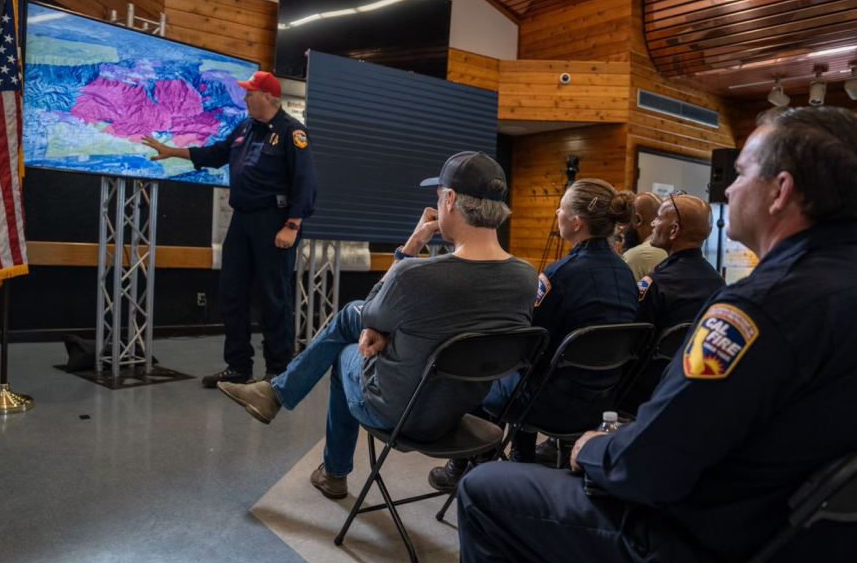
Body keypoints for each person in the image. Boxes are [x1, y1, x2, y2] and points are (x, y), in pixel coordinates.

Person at [456, 106, 857, 563]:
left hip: (697, 546)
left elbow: (646, 467)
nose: (728, 190)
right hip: (797, 549)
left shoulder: (759, 309)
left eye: (741, 173)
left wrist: (595, 447)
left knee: (484, 489)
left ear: (781, 191)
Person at [218, 152, 538, 499]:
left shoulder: (417, 275)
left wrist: (411, 246)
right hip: (456, 414)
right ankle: (280, 400)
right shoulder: (524, 277)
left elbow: (372, 309)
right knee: (358, 322)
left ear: (449, 200)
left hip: (398, 414)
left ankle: (330, 468)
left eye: (438, 197)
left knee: (345, 345)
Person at [429, 179, 637, 490]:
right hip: (602, 403)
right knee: (530, 374)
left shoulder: (561, 275)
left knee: (481, 375)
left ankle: (471, 467)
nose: (556, 212)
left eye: (561, 208)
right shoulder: (626, 274)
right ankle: (519, 459)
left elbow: (528, 345)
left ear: (577, 223)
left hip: (552, 405)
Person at [143, 71, 317, 387]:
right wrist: (174, 151)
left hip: (274, 221)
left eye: (251, 92)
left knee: (273, 296)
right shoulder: (244, 128)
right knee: (231, 293)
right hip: (243, 221)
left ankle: (278, 370)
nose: (245, 97)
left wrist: (292, 224)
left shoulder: (292, 132)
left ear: (269, 97)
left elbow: (305, 182)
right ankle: (238, 366)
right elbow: (216, 153)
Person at [621, 194, 726, 412]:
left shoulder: (656, 284)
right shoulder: (718, 282)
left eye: (659, 218)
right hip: (693, 385)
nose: (653, 223)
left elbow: (632, 347)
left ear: (674, 230)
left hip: (647, 394)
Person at [622, 191, 667, 280]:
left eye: (626, 219)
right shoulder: (673, 249)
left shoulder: (633, 256)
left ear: (637, 219)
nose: (622, 228)